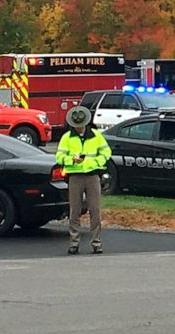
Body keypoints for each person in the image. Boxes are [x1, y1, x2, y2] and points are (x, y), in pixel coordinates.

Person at [56, 106, 112, 255]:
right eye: (76, 125)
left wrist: (96, 162)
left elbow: (107, 152)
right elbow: (59, 157)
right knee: (75, 211)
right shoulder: (67, 138)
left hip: (92, 175)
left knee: (95, 210)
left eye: (81, 124)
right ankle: (74, 243)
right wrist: (72, 159)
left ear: (85, 123)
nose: (79, 127)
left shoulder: (95, 136)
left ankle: (96, 243)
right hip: (75, 177)